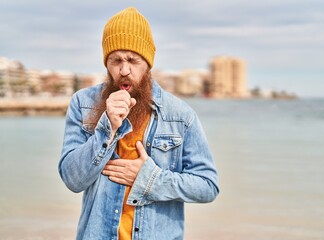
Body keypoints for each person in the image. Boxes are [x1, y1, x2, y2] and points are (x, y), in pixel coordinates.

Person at [58, 7, 219, 240]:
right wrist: (108, 127)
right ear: (106, 64)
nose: (124, 70)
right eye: (116, 61)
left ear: (148, 62)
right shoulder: (83, 104)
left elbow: (207, 186)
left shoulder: (180, 115)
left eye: (132, 60)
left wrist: (149, 177)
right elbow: (72, 180)